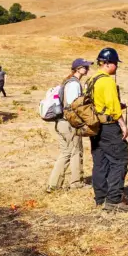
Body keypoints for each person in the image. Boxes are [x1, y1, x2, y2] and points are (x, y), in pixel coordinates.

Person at [89, 47, 128, 213]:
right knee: (119, 159)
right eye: (115, 63)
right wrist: (123, 125)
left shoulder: (91, 79)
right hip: (108, 127)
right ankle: (113, 200)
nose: (117, 67)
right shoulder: (107, 81)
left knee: (100, 162)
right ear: (107, 63)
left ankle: (101, 197)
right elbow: (113, 107)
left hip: (95, 126)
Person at [47, 58, 92, 191]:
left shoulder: (69, 82)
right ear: (78, 68)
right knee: (75, 152)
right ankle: (76, 182)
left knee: (66, 152)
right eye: (85, 67)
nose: (87, 69)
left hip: (61, 123)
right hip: (69, 124)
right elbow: (74, 106)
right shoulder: (74, 84)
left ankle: (53, 185)